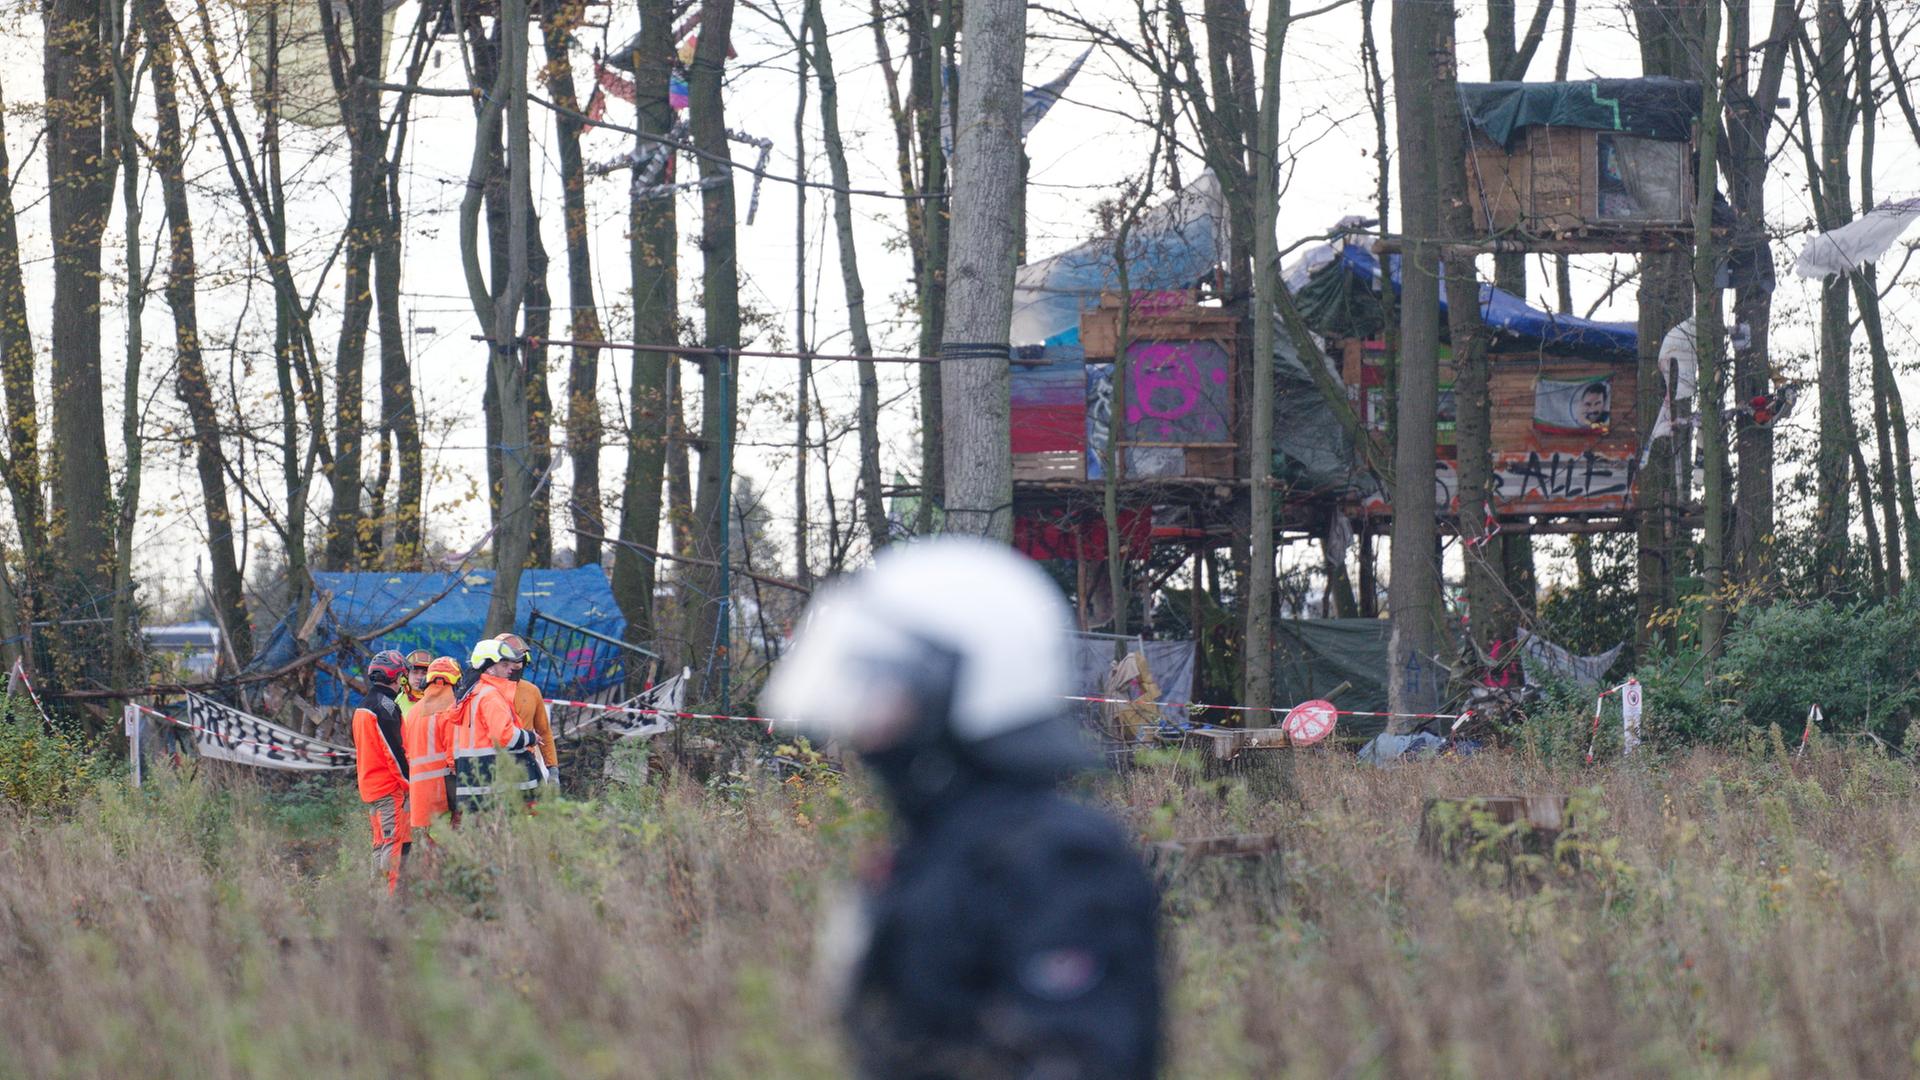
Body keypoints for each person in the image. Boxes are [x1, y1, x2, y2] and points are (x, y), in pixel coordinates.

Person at [763, 538, 1162, 1080]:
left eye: (888, 684)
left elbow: (1077, 1055)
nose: (865, 718)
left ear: (961, 686)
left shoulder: (1059, 859)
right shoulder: (937, 844)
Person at [450, 637, 541, 812]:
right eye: (504, 665)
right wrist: (531, 737)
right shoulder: (490, 695)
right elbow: (504, 736)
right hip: (494, 783)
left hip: (475, 782)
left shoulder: (471, 694)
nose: (510, 669)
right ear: (490, 667)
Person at [351, 649, 411, 894]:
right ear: (398, 676)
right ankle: (389, 903)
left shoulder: (364, 706)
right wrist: (410, 783)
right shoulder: (385, 707)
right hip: (389, 789)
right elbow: (393, 753)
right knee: (393, 844)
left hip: (372, 787)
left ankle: (375, 897)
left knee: (380, 844)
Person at [403, 656, 463, 839]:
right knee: (446, 843)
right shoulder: (449, 709)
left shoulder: (414, 711)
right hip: (443, 790)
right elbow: (454, 755)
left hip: (419, 789)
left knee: (431, 839)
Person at [495, 633, 558, 788]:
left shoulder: (531, 691)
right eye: (511, 660)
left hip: (527, 764)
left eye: (520, 660)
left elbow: (544, 731)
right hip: (494, 765)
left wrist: (553, 769)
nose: (516, 666)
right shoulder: (486, 692)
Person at [398, 648, 435, 715]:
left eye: (424, 673)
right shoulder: (396, 700)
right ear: (406, 674)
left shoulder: (437, 702)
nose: (419, 677)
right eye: (415, 672)